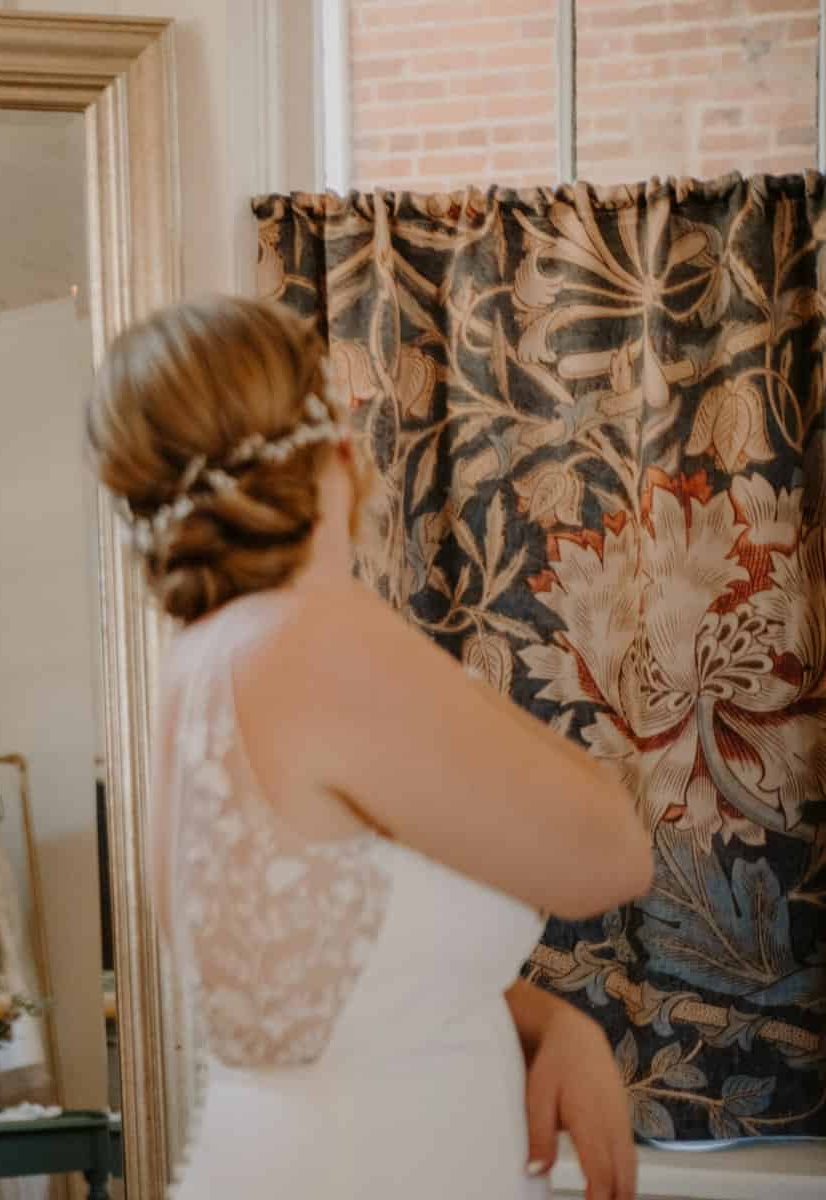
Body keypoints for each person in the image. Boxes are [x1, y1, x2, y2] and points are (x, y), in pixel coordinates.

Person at [88, 297, 651, 1200]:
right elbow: (612, 853)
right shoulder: (318, 639)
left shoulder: (200, 663)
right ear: (332, 435)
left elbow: (328, 976)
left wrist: (551, 1022)